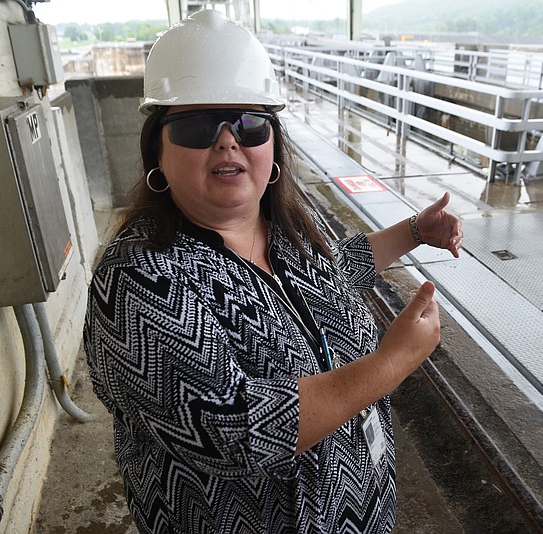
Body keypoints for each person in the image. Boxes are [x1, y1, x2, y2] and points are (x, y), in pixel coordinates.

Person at [83, 9, 463, 534]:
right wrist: (391, 363)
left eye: (249, 124)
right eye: (196, 127)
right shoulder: (139, 278)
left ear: (272, 144)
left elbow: (331, 277)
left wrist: (413, 233)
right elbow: (229, 429)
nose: (226, 141)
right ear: (158, 153)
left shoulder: (279, 226)